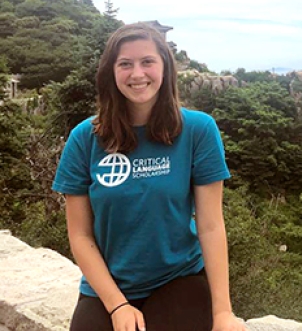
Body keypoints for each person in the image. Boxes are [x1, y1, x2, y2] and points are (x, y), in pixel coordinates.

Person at [52, 23, 246, 331]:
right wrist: (117, 305)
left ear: (165, 68)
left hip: (178, 279)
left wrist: (223, 312)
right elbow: (80, 235)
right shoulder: (85, 139)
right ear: (111, 72)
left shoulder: (198, 130)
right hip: (108, 286)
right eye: (125, 64)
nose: (137, 74)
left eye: (147, 62)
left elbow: (210, 225)